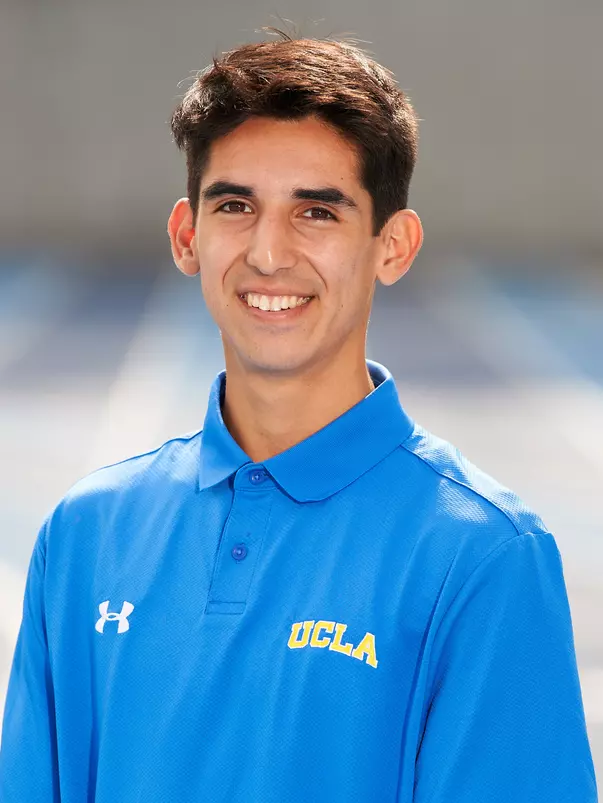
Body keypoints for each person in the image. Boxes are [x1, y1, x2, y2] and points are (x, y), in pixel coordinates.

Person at [0, 29, 597, 803]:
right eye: (236, 206)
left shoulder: (483, 556)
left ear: (392, 246)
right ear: (189, 236)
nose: (269, 253)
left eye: (316, 212)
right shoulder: (87, 534)